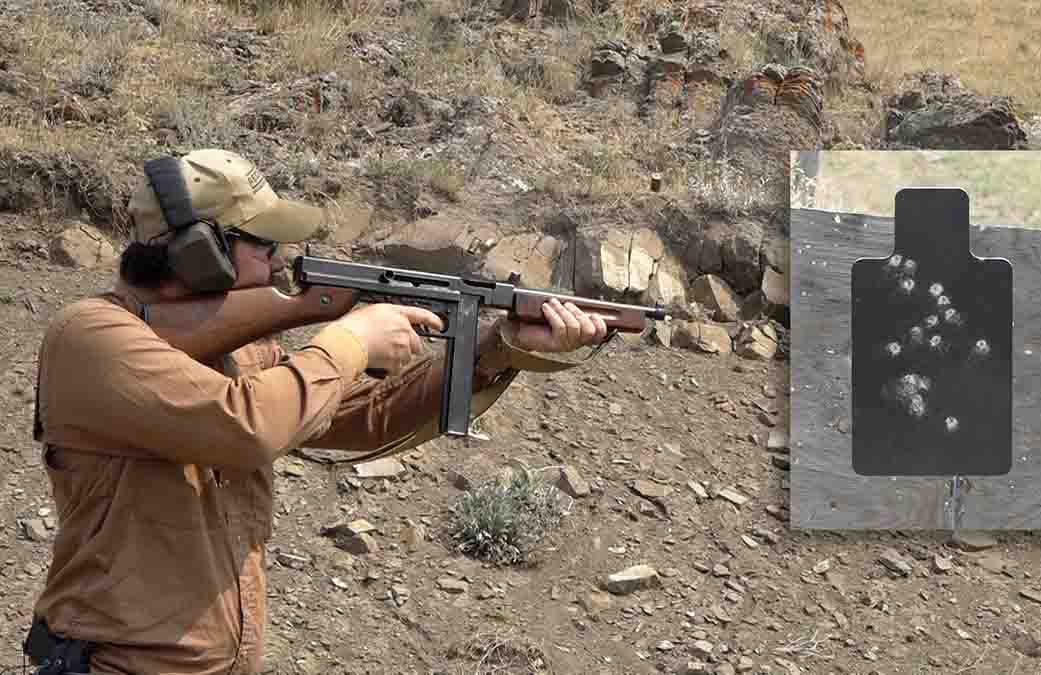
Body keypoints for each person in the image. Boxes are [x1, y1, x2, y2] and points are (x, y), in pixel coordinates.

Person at [24, 148, 609, 674]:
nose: (280, 261)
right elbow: (246, 425)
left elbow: (360, 415)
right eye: (264, 244)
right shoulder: (92, 336)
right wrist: (350, 342)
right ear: (201, 253)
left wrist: (495, 348)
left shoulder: (239, 345)